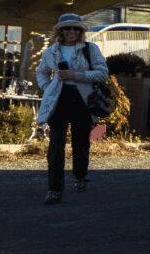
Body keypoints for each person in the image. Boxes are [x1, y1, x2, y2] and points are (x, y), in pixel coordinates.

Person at [35, 13, 109, 206]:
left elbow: (102, 73)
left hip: (82, 100)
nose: (71, 32)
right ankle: (54, 189)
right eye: (67, 28)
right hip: (59, 99)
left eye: (76, 28)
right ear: (60, 31)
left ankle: (80, 176)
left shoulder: (90, 49)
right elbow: (41, 71)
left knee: (81, 142)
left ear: (81, 31)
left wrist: (75, 75)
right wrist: (46, 87)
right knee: (56, 146)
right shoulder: (51, 51)